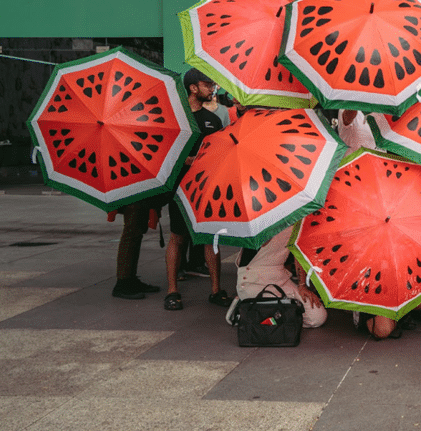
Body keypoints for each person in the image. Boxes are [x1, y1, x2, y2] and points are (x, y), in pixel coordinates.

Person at [163, 69, 232, 311]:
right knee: (178, 238)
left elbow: (220, 154)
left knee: (210, 239)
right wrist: (185, 160)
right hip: (180, 190)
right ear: (193, 88)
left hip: (206, 189)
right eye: (207, 84)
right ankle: (172, 291)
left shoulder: (213, 121)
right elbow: (163, 153)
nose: (212, 88)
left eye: (213, 84)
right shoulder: (175, 118)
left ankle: (216, 290)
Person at [235, 231, 327, 328]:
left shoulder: (296, 219)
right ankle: (243, 308)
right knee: (276, 315)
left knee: (317, 318)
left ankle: (252, 310)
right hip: (252, 279)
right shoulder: (259, 220)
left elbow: (298, 253)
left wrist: (302, 285)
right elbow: (259, 242)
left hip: (280, 278)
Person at [110, 197, 163, 299]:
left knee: (136, 234)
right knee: (131, 234)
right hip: (134, 197)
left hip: (140, 197)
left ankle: (130, 279)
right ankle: (123, 282)